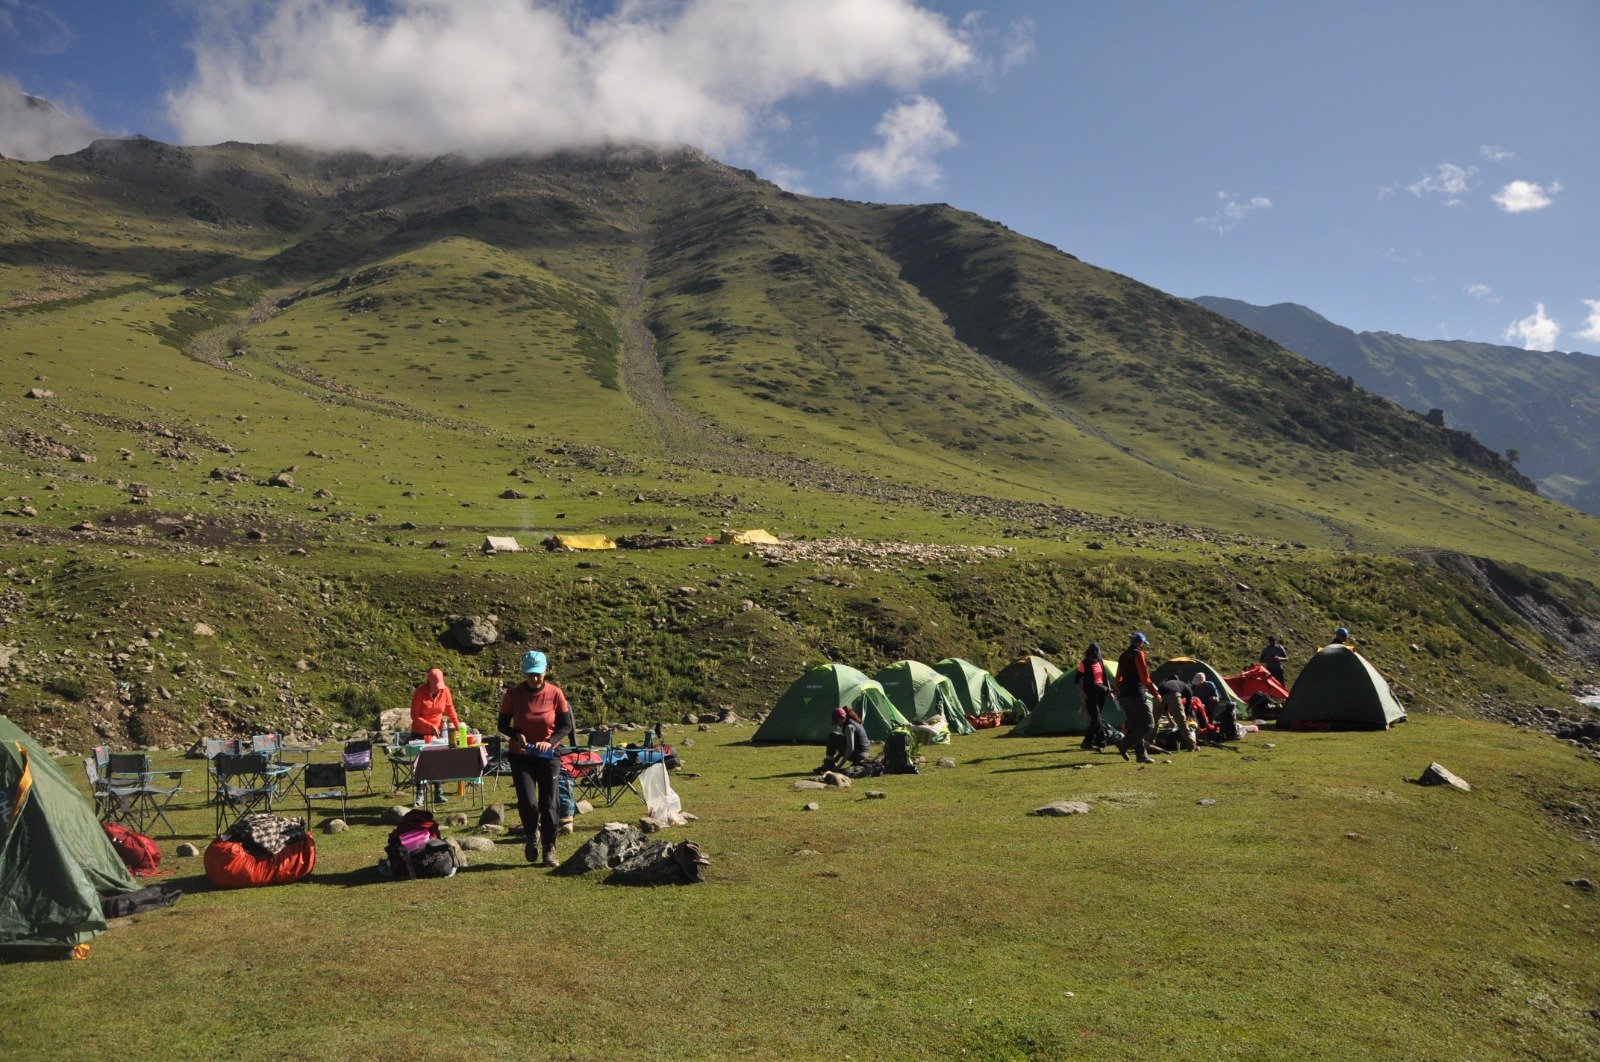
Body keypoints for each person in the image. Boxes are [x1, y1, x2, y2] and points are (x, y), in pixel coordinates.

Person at [498, 650, 572, 867]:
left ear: (545, 672)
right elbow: (502, 725)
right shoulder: (513, 694)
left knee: (549, 802)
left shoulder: (555, 693)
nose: (534, 678)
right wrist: (516, 735)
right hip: (522, 756)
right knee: (528, 802)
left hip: (548, 756)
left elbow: (565, 725)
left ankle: (550, 848)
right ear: (524, 673)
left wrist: (550, 741)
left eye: (538, 674)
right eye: (530, 674)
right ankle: (531, 835)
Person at [1115, 632, 1160, 764]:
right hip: (1136, 693)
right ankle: (1124, 744)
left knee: (1136, 724)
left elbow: (1117, 677)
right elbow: (1145, 678)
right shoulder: (1138, 654)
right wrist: (1156, 693)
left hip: (1124, 694)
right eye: (1143, 644)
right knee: (1148, 723)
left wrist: (1119, 691)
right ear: (1141, 643)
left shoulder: (1123, 655)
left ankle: (1142, 756)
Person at [1074, 643, 1112, 751]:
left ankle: (1087, 742)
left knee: (1096, 720)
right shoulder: (1084, 663)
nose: (1092, 657)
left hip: (1102, 693)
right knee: (1097, 718)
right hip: (1090, 694)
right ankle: (1102, 743)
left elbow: (1105, 677)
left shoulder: (1101, 661)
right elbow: (1076, 680)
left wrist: (1109, 691)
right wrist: (1082, 692)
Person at [409, 668, 459, 741]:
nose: (438, 688)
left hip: (438, 733)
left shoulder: (445, 690)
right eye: (435, 686)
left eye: (439, 685)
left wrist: (457, 725)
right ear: (429, 683)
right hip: (420, 734)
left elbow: (450, 709)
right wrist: (431, 727)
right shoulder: (419, 692)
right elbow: (414, 716)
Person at [820, 707, 870, 773]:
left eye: (836, 721)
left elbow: (850, 749)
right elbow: (846, 745)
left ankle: (829, 763)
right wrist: (836, 759)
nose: (836, 724)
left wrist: (839, 766)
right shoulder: (852, 722)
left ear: (842, 718)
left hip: (859, 754)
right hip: (862, 754)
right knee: (835, 735)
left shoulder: (849, 727)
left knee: (832, 735)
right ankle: (830, 762)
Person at [1156, 675, 1199, 751]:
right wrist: (1187, 717)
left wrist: (1170, 719)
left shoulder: (1165, 684)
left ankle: (1148, 743)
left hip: (1158, 694)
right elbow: (1188, 705)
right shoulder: (1187, 687)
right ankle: (1191, 745)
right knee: (1181, 721)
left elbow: (1165, 706)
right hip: (1173, 694)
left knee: (1154, 721)